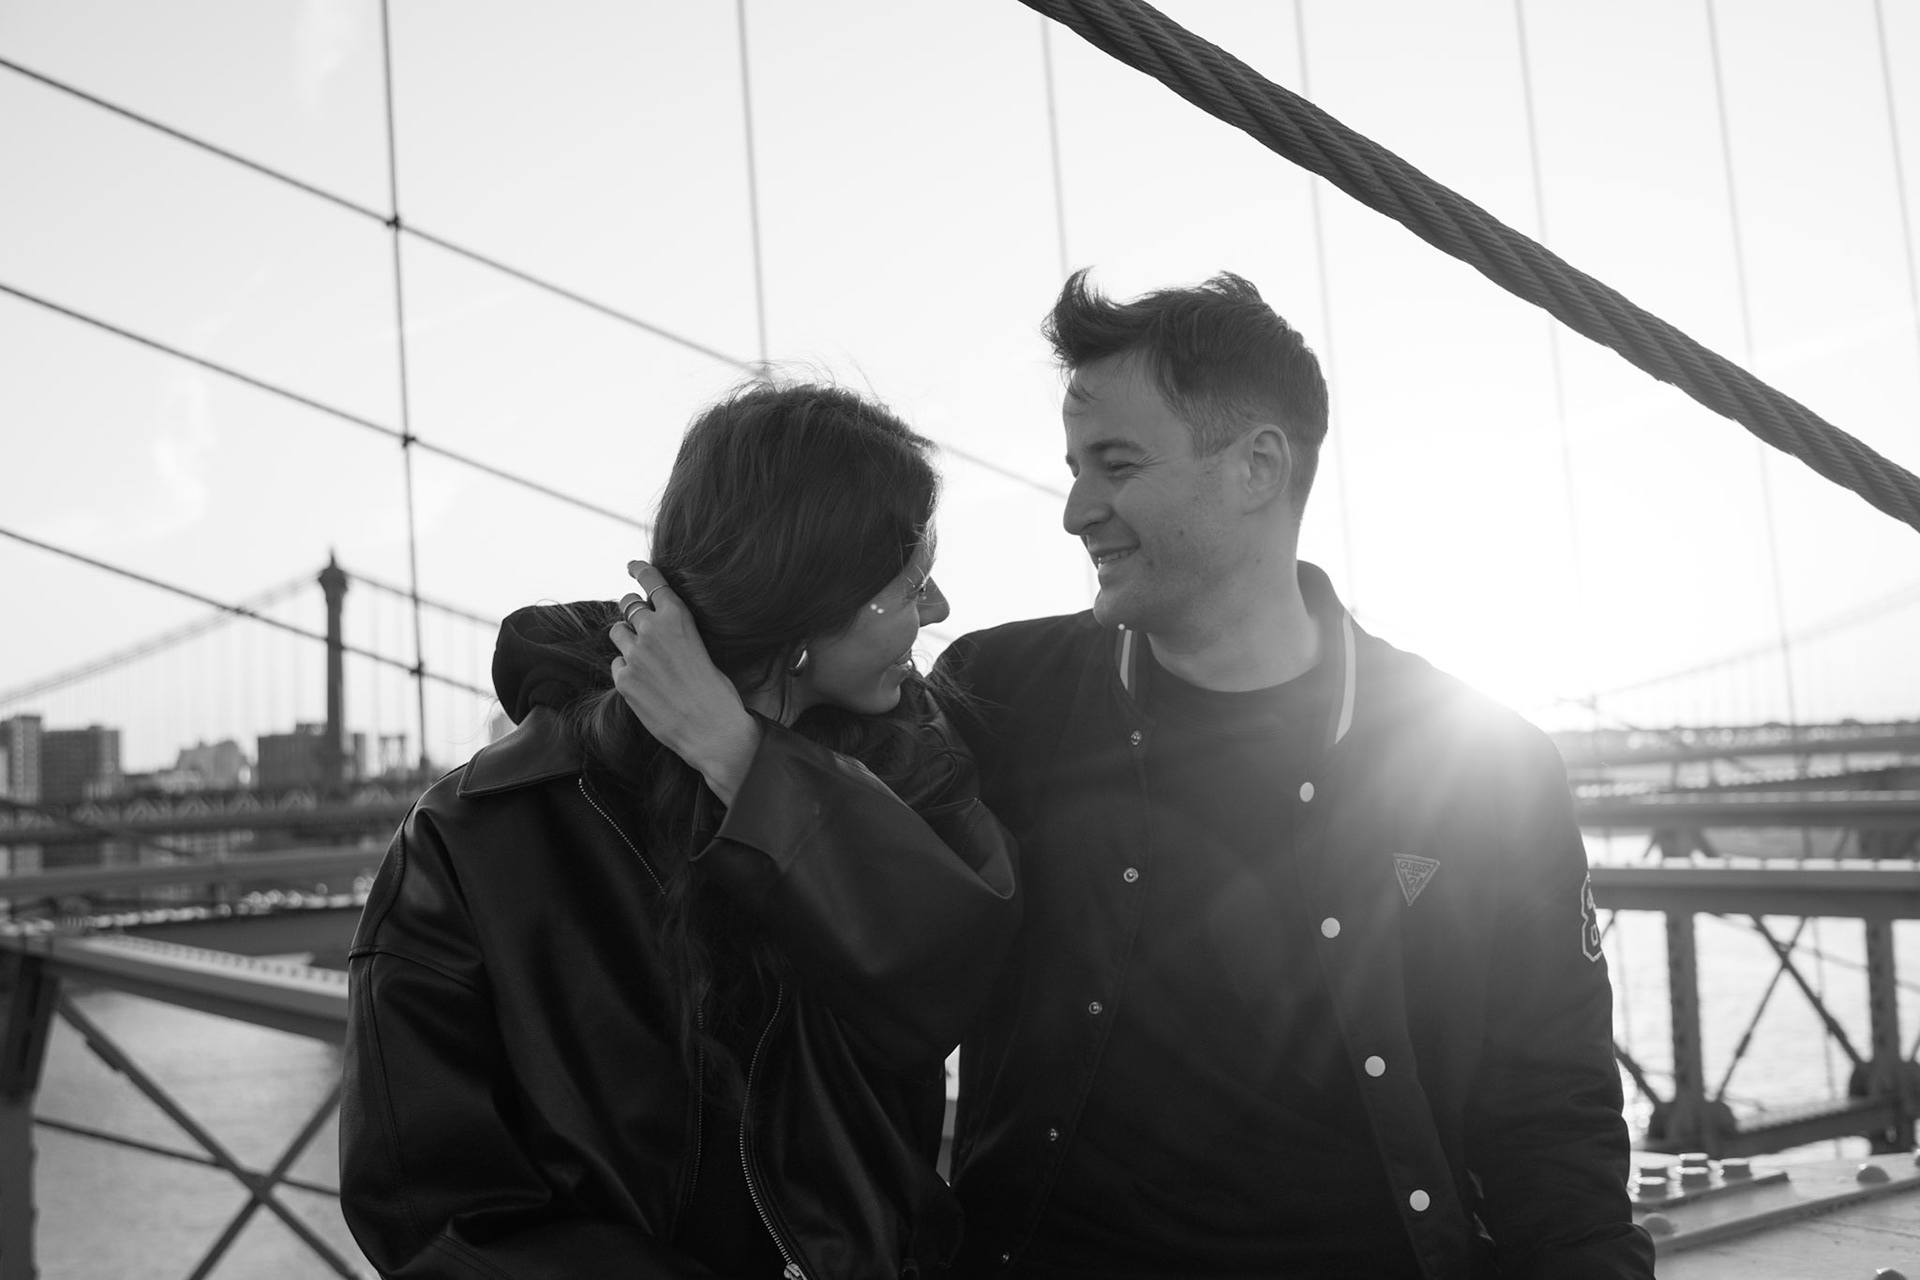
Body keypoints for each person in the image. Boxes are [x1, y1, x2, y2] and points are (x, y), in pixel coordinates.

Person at [931, 272, 1657, 1278]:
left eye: (1115, 464)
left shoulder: (1490, 766)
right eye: (1074, 467)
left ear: (1257, 467)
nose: (1076, 510)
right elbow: (840, 940)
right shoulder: (998, 696)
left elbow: (1554, 1127)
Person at [338, 381, 1019, 1280]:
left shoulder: (913, 776)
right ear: (808, 598)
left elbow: (952, 976)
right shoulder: (477, 836)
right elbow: (428, 1213)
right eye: (912, 583)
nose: (938, 612)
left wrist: (745, 759)